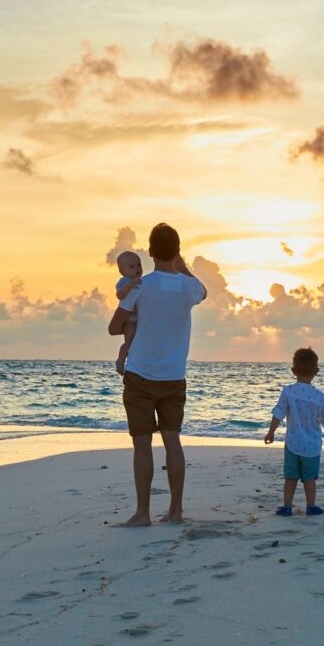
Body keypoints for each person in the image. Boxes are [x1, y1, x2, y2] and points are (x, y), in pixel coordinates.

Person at [108, 223, 207, 526]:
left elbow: (114, 327)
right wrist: (181, 264)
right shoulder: (188, 287)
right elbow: (201, 291)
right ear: (177, 252)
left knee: (142, 444)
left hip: (140, 375)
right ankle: (176, 511)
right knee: (172, 442)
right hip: (173, 376)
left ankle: (142, 514)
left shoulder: (141, 286)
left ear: (149, 253)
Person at [264, 346, 324, 516]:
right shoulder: (318, 396)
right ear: (316, 371)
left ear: (293, 370)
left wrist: (271, 432)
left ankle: (287, 506)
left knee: (290, 477)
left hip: (292, 444)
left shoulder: (288, 392)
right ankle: (311, 506)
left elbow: (279, 412)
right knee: (309, 478)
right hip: (311, 446)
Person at [113, 250, 143, 374]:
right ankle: (120, 360)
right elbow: (119, 295)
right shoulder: (125, 281)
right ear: (122, 271)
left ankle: (131, 362)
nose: (137, 268)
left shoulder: (141, 281)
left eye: (139, 265)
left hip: (139, 318)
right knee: (129, 342)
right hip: (130, 319)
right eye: (131, 267)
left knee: (135, 343)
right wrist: (129, 285)